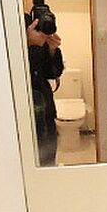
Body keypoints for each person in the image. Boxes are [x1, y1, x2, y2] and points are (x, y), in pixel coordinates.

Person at [25, 15, 63, 166]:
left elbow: (53, 73)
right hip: (28, 111)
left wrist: (52, 50)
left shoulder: (40, 33)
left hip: (46, 109)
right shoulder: (16, 29)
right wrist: (30, 45)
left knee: (48, 160)